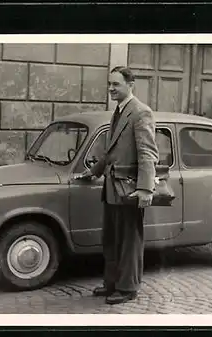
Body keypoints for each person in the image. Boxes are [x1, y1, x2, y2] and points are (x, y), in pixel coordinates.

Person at [75, 66, 159, 305]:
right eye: (110, 84)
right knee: (111, 241)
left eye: (116, 84)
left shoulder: (141, 112)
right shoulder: (119, 112)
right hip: (112, 189)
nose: (111, 88)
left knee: (129, 242)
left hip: (129, 190)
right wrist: (93, 172)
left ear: (130, 85)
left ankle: (128, 288)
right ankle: (112, 283)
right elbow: (110, 152)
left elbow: (147, 153)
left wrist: (145, 188)